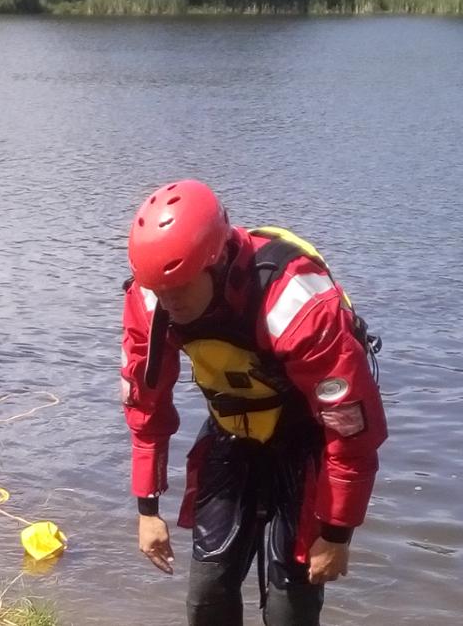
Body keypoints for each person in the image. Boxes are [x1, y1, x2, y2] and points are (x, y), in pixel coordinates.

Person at [120, 179, 388, 626]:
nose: (168, 301)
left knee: (290, 609)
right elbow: (145, 408)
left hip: (308, 442)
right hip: (232, 430)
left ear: (218, 262)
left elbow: (352, 433)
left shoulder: (295, 305)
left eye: (180, 287)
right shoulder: (152, 296)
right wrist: (147, 509)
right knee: (207, 594)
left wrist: (338, 533)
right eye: (159, 289)